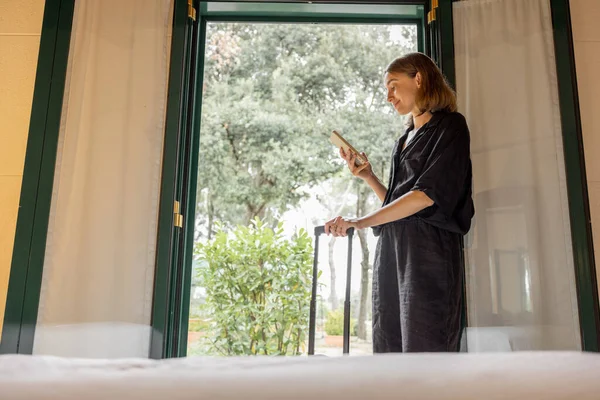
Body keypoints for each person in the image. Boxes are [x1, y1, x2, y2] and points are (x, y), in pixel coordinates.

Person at [324, 52, 474, 353]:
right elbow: (398, 202)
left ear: (418, 77)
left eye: (393, 85)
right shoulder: (404, 139)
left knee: (427, 346)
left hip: (427, 256)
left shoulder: (451, 126)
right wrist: (369, 176)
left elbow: (424, 196)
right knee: (389, 343)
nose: (389, 96)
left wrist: (360, 221)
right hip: (391, 254)